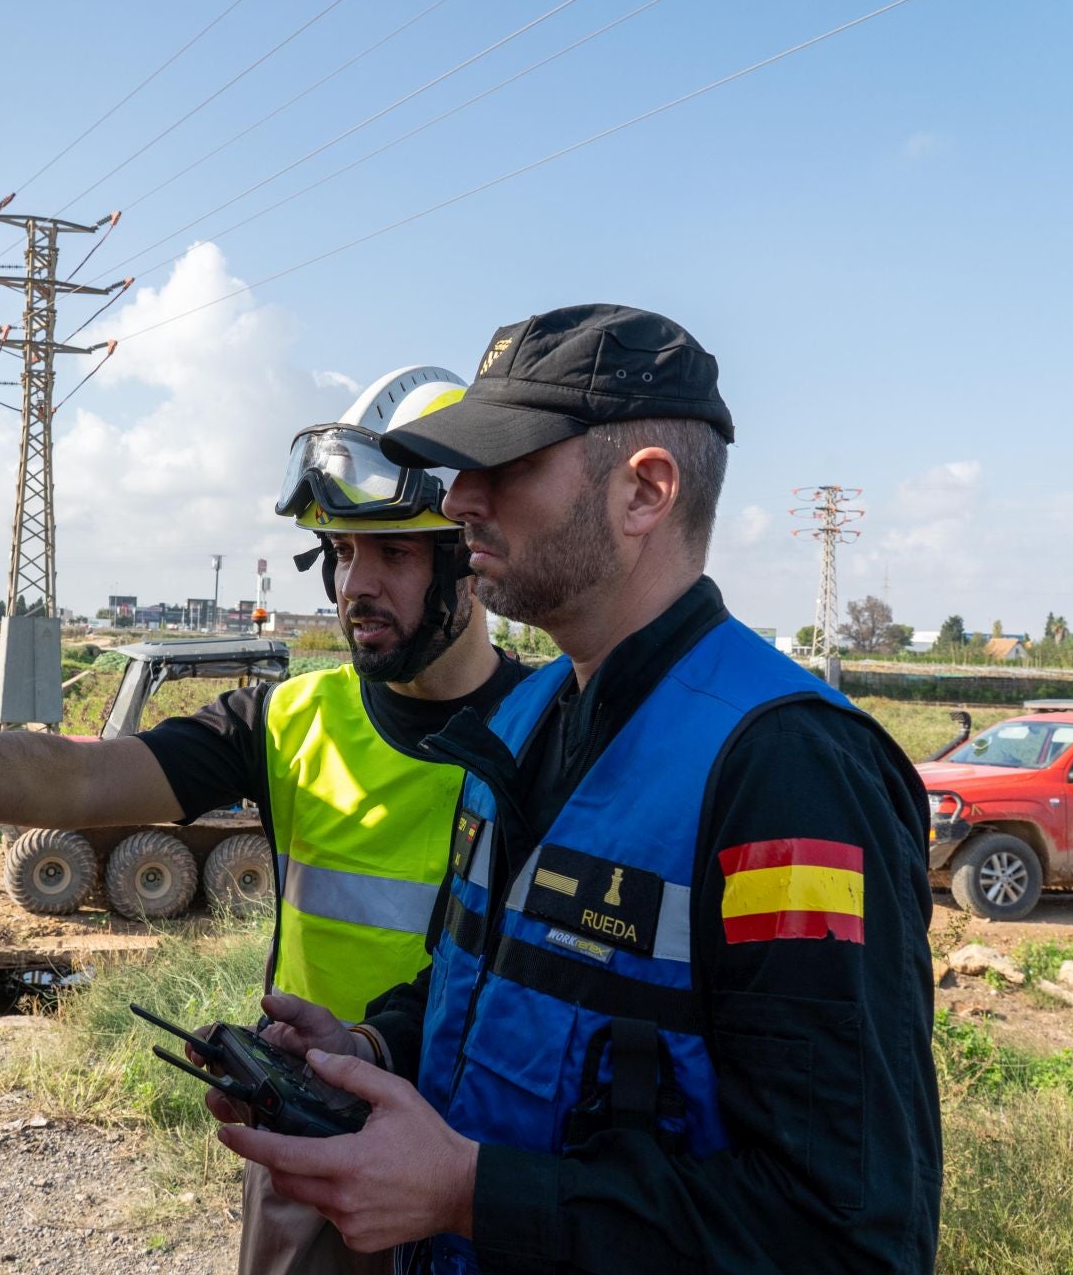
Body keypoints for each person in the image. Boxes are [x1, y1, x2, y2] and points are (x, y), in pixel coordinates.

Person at [0, 365, 529, 1275]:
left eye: (393, 553)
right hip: (320, 1144)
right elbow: (77, 782)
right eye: (340, 552)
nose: (353, 586)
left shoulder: (558, 733)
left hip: (481, 1158)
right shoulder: (293, 720)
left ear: (469, 555)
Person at [209, 305, 943, 1273]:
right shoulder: (520, 725)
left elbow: (845, 1228)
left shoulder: (789, 776)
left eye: (503, 465)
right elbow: (499, 986)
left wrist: (472, 1192)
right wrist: (374, 1048)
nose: (462, 498)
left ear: (645, 491)